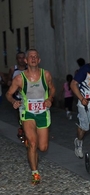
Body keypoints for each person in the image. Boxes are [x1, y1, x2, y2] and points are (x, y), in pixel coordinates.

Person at [5, 49, 56, 185]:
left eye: (35, 56)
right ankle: (35, 173)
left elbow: (52, 89)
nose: (33, 58)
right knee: (33, 143)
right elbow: (8, 94)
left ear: (39, 60)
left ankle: (30, 145)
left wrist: (50, 98)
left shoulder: (46, 75)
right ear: (26, 61)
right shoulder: (19, 78)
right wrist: (13, 101)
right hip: (27, 112)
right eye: (30, 57)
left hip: (43, 113)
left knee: (43, 147)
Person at [8, 52, 28, 142]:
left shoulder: (30, 69)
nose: (21, 59)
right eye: (19, 58)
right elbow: (8, 81)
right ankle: (22, 129)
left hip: (28, 97)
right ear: (17, 59)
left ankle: (26, 130)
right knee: (20, 115)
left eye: (23, 57)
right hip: (17, 97)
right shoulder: (13, 69)